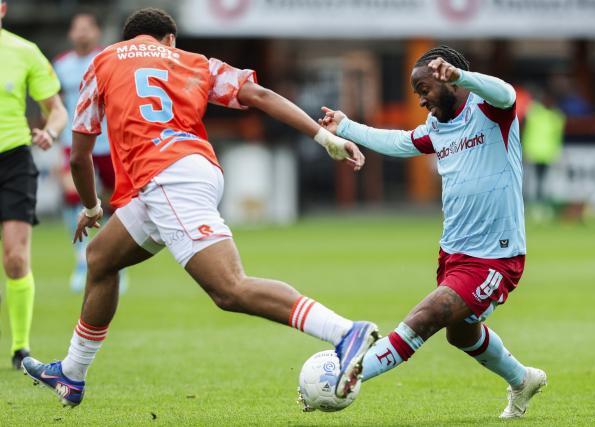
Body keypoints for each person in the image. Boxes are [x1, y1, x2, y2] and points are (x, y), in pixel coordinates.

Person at [22, 8, 377, 407]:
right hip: (190, 171)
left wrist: (89, 207)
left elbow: (78, 155)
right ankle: (72, 374)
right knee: (101, 258)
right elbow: (258, 95)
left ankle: (345, 332)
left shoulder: (101, 61)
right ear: (169, 39)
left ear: (127, 39)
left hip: (167, 179)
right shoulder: (194, 62)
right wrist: (323, 137)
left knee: (229, 289)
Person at [319, 46, 546, 419]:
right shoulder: (438, 129)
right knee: (461, 335)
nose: (421, 100)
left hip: (495, 257)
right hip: (453, 253)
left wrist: (463, 77)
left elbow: (506, 92)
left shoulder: (491, 112)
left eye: (423, 89)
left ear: (447, 79)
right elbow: (398, 142)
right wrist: (345, 127)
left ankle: (350, 375)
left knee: (425, 316)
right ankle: (523, 380)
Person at [0, 0, 68, 369]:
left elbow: (56, 109)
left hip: (13, 159)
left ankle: (20, 347)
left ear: (3, 9)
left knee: (15, 258)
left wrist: (51, 132)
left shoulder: (24, 52)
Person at [53, 12, 128, 293]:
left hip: (108, 142)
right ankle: (82, 260)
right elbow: (54, 103)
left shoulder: (107, 59)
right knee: (76, 199)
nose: (82, 34)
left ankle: (114, 260)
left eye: (87, 28)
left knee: (115, 202)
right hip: (74, 143)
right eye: (77, 29)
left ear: (96, 32)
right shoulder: (60, 66)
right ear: (71, 34)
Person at [521, 88, 566, 216]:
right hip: (532, 152)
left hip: (547, 154)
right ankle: (526, 206)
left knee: (542, 182)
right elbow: (523, 130)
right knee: (529, 181)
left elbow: (557, 137)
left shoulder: (557, 116)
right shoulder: (533, 112)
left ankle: (540, 208)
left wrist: (557, 151)